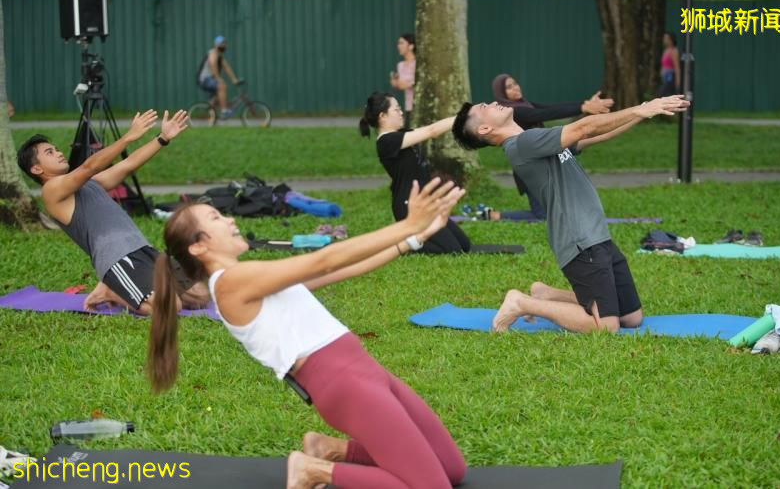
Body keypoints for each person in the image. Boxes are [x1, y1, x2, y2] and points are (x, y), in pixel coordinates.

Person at [148, 178, 467, 489]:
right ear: (198, 246)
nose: (231, 219)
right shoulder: (231, 283)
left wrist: (414, 238)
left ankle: (331, 449)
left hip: (364, 371)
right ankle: (314, 470)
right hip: (344, 385)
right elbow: (325, 260)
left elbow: (344, 269)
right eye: (216, 217)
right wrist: (407, 224)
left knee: (452, 468)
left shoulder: (249, 275)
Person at [452, 95, 689, 333]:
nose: (493, 103)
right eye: (485, 107)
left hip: (595, 234)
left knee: (632, 317)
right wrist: (640, 108)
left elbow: (594, 134)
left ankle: (546, 294)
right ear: (485, 128)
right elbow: (585, 127)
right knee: (607, 326)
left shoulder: (532, 140)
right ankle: (521, 303)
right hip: (578, 240)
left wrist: (646, 109)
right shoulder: (523, 144)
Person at [16, 110, 208, 315]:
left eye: (55, 149)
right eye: (49, 153)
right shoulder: (51, 192)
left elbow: (128, 165)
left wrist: (162, 138)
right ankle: (110, 292)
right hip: (118, 258)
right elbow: (88, 166)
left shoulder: (90, 184)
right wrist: (128, 137)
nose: (59, 152)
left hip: (141, 247)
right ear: (37, 170)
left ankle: (125, 289)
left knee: (199, 295)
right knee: (171, 307)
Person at [489, 73, 615, 221]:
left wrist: (585, 104)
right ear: (501, 93)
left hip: (544, 161)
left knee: (560, 205)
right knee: (541, 216)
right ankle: (495, 216)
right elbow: (545, 114)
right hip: (529, 169)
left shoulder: (524, 104)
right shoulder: (513, 112)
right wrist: (583, 107)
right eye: (509, 87)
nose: (515, 88)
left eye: (515, 83)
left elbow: (553, 107)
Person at [360, 91, 470, 254]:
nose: (401, 112)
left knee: (464, 245)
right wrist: (465, 116)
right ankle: (403, 244)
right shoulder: (386, 141)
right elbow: (431, 131)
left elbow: (431, 129)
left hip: (426, 203)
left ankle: (410, 240)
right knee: (452, 250)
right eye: (396, 109)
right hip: (409, 206)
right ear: (383, 116)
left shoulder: (401, 135)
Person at [196, 36, 240, 118]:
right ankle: (224, 110)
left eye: (225, 44)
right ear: (217, 44)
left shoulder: (219, 56)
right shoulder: (213, 53)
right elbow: (213, 64)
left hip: (208, 79)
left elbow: (227, 67)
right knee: (221, 85)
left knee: (217, 96)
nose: (225, 46)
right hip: (204, 80)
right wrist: (217, 78)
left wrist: (234, 79)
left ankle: (211, 113)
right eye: (223, 44)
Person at [389, 33, 416, 127]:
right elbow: (398, 85)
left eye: (401, 43)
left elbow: (404, 84)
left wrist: (406, 83)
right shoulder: (400, 65)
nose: (398, 46)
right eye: (398, 43)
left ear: (411, 46)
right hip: (408, 107)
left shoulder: (418, 64)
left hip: (419, 106)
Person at [657, 32, 681, 97]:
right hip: (665, 77)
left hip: (670, 77)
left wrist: (677, 83)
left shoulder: (674, 51)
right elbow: (663, 65)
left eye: (666, 38)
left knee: (664, 93)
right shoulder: (666, 50)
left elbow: (677, 67)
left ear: (671, 40)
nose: (665, 40)